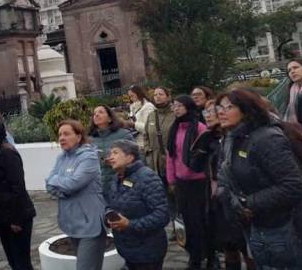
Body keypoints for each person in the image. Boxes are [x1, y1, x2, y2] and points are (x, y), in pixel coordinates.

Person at [216, 89, 302, 269]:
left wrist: (249, 202)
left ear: (247, 110)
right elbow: (225, 178)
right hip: (260, 227)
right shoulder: (232, 139)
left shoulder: (267, 138)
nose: (221, 112)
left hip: (292, 230)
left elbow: (293, 185)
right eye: (219, 107)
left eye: (229, 107)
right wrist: (236, 202)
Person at [190, 100, 252, 270]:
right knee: (228, 246)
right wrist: (203, 143)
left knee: (247, 248)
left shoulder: (235, 138)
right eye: (206, 112)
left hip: (240, 199)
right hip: (217, 198)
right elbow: (194, 165)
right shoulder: (209, 137)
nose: (208, 115)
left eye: (213, 111)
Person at [46, 119, 108, 270]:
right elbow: (49, 186)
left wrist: (56, 181)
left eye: (66, 134)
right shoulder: (61, 158)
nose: (61, 138)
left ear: (79, 137)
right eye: (60, 134)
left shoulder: (89, 157)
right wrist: (62, 185)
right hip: (72, 221)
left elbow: (73, 184)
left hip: (90, 224)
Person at [0, 116, 36, 270]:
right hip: (3, 217)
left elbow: (18, 188)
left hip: (17, 217)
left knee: (21, 263)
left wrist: (16, 219)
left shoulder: (7, 153)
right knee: (13, 262)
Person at [105, 139, 170, 270]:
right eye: (110, 153)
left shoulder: (147, 178)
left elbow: (162, 215)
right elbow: (110, 204)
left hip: (148, 251)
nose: (110, 157)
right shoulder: (116, 178)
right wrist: (108, 216)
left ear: (129, 157)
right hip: (127, 248)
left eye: (115, 153)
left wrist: (130, 225)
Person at [165, 95, 210, 269]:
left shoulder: (199, 127)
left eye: (179, 106)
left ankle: (205, 253)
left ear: (188, 107)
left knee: (200, 220)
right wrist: (171, 178)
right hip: (181, 182)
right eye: (174, 106)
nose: (176, 109)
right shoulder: (174, 128)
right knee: (187, 221)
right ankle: (194, 255)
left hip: (199, 182)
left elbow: (206, 154)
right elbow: (170, 155)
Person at [89, 105, 134, 199]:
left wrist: (118, 162)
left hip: (120, 185)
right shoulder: (90, 139)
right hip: (98, 188)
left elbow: (135, 157)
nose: (96, 115)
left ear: (109, 118)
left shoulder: (123, 134)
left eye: (100, 112)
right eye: (94, 113)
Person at [142, 86, 175, 181]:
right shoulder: (151, 115)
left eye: (161, 94)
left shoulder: (175, 114)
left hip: (171, 160)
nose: (157, 96)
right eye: (155, 94)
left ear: (168, 97)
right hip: (154, 162)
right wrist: (148, 151)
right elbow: (145, 135)